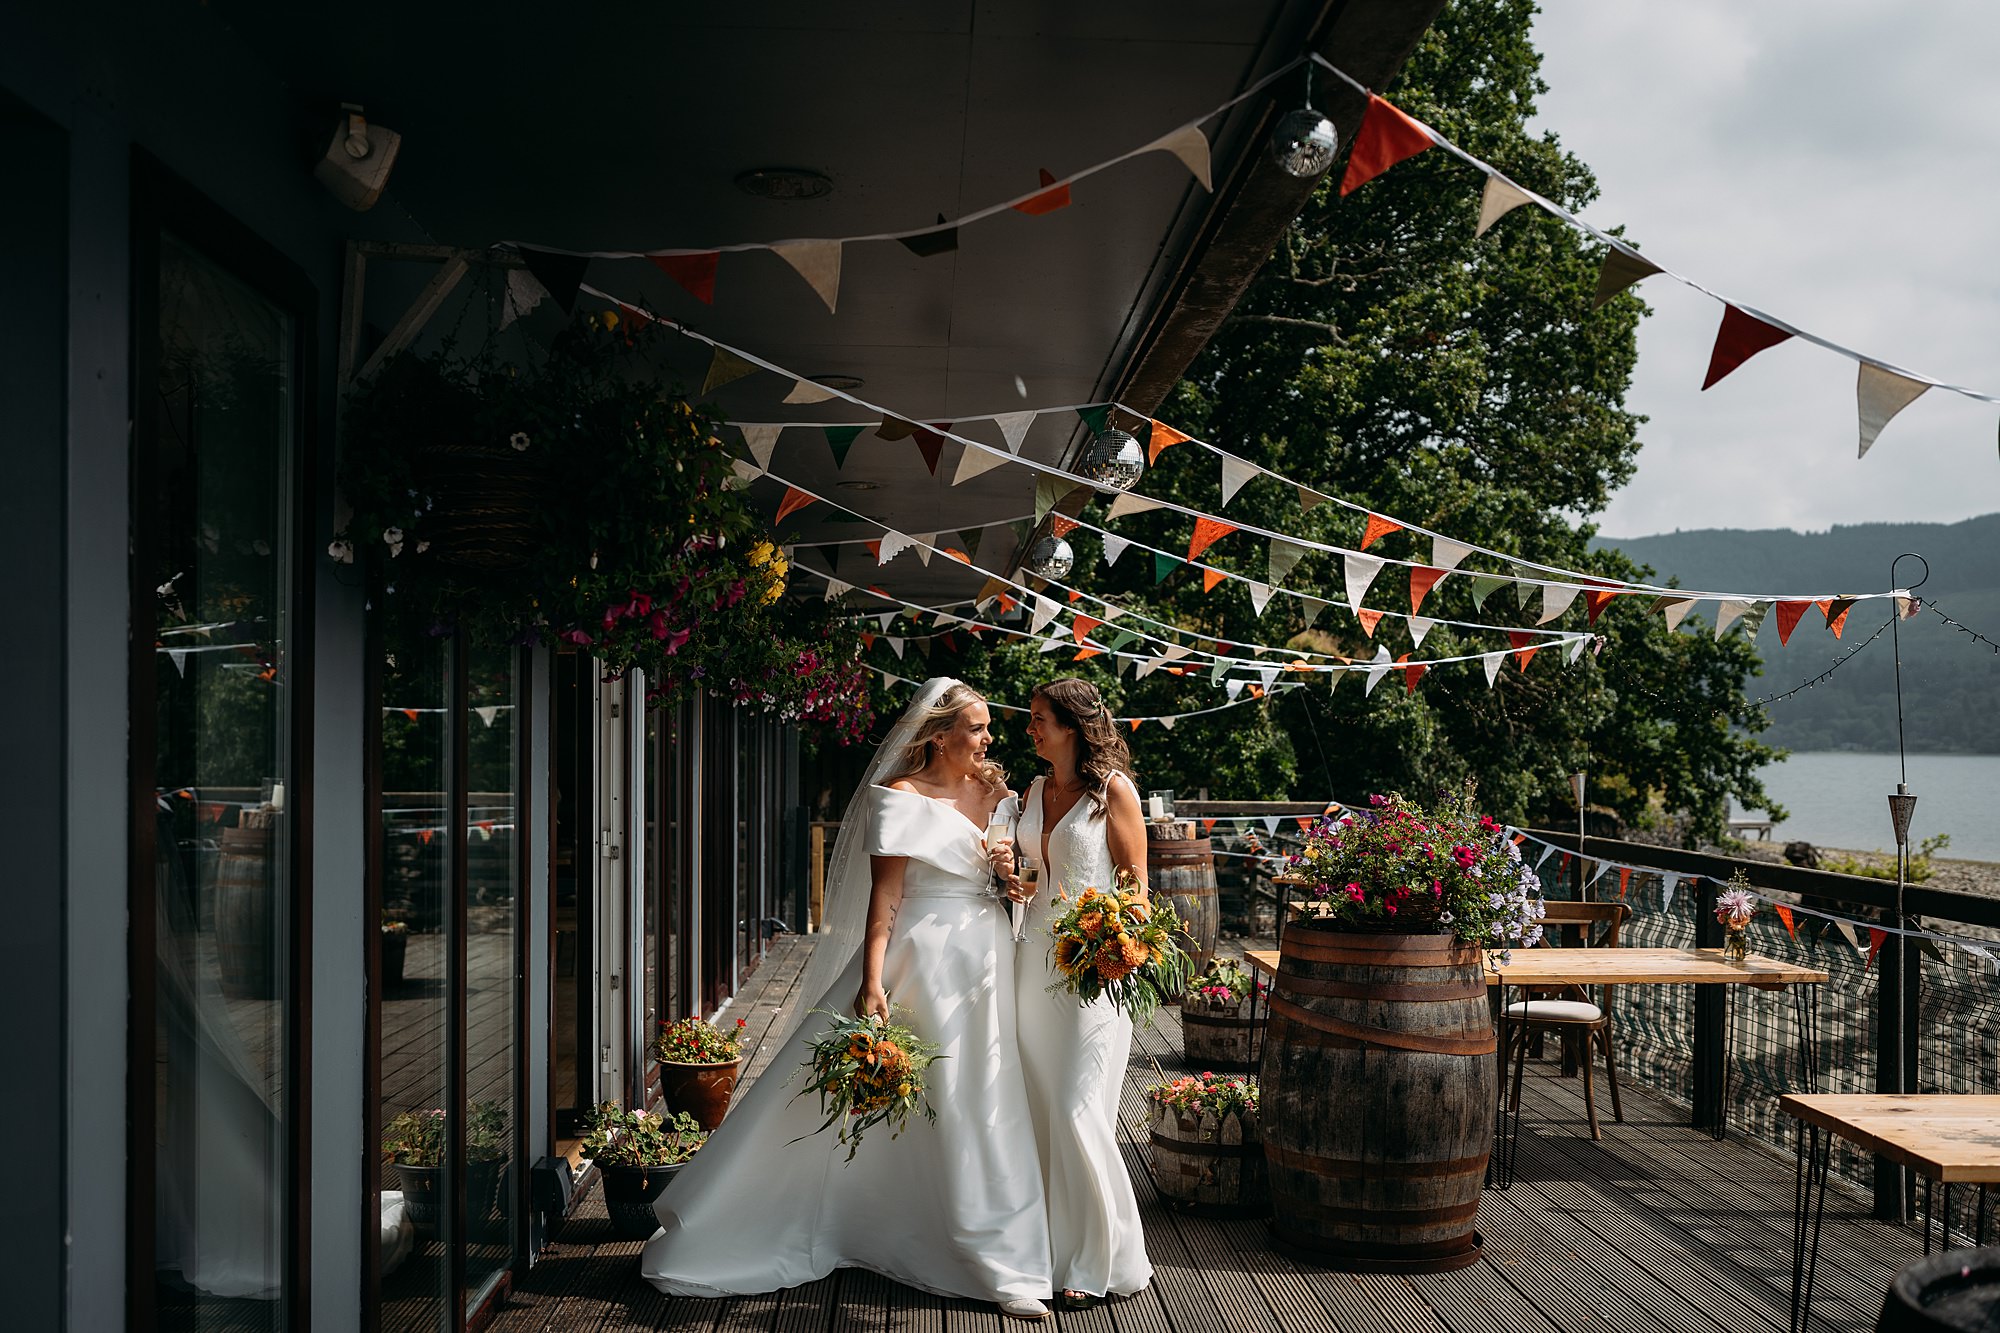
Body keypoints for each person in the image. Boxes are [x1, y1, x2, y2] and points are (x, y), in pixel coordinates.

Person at [640, 678, 1054, 1321]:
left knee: (981, 1091)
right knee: (905, 1088)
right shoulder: (900, 798)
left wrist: (1007, 875)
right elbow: (883, 900)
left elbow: (1015, 864)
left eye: (986, 727)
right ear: (938, 735)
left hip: (988, 951)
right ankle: (817, 1221)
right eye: (976, 727)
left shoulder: (996, 793)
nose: (988, 737)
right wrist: (870, 981)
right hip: (922, 957)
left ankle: (997, 1252)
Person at [1001, 677, 1154, 1309]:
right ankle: (1048, 1249)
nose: (1030, 728)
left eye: (1039, 719)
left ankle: (1099, 1259)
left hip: (1091, 970)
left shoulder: (1112, 792)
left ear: (1070, 725)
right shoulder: (1034, 790)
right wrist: (1013, 883)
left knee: (1076, 1106)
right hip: (1030, 960)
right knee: (1038, 1109)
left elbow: (1137, 886)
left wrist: (1116, 943)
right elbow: (1030, 873)